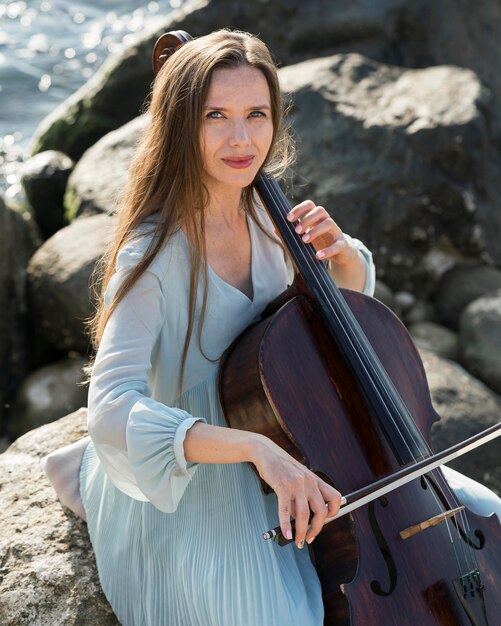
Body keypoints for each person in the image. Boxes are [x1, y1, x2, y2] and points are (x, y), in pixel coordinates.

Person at [42, 29, 501, 626]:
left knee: (486, 520)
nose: (242, 139)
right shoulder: (151, 256)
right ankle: (91, 477)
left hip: (302, 441)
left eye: (256, 114)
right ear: (181, 125)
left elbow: (321, 339)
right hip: (207, 473)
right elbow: (109, 408)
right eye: (217, 117)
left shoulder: (270, 216)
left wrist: (338, 261)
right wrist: (256, 449)